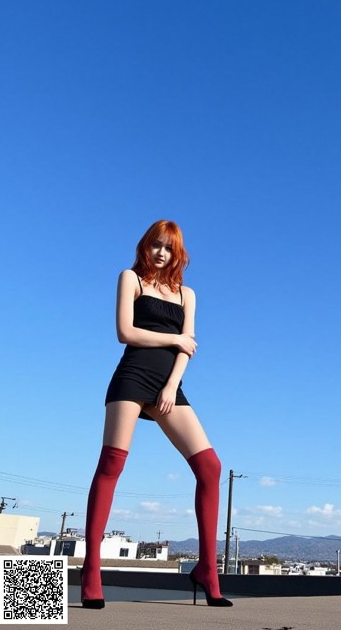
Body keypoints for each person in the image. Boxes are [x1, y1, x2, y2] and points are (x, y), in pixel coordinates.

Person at [81, 220, 232, 609]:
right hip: (132, 377)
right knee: (112, 464)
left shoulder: (187, 294)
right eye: (155, 245)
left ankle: (207, 570)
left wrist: (170, 386)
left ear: (178, 253)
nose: (161, 253)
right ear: (145, 247)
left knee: (210, 467)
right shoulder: (130, 279)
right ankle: (92, 569)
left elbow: (189, 347)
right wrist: (175, 338)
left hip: (169, 385)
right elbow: (126, 332)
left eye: (168, 247)